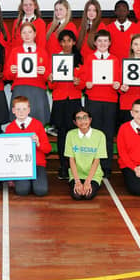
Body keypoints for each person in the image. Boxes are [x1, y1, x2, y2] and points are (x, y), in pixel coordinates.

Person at [78, 29, 121, 177]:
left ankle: (107, 166)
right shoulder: (89, 59)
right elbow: (82, 80)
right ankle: (93, 165)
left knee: (108, 135)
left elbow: (119, 80)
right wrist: (86, 84)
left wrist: (117, 84)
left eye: (105, 41)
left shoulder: (114, 60)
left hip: (110, 100)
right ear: (95, 43)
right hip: (94, 100)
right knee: (93, 134)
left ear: (109, 43)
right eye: (100, 41)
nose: (102, 43)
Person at [48, 29, 83, 180]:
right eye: (63, 41)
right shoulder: (56, 59)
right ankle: (63, 166)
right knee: (62, 135)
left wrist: (79, 83)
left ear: (74, 42)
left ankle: (76, 166)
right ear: (60, 43)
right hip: (60, 100)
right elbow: (51, 86)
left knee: (75, 135)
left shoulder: (80, 60)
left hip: (74, 100)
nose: (66, 43)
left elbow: (84, 84)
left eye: (69, 40)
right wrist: (52, 79)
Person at [4, 22, 51, 125]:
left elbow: (50, 76)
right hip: (20, 90)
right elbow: (6, 75)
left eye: (30, 32)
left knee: (38, 123)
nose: (27, 35)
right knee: (19, 123)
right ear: (20, 35)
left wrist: (45, 73)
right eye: (24, 32)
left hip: (37, 91)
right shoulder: (15, 51)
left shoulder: (42, 52)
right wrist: (11, 71)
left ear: (35, 34)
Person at [5, 96, 51, 196]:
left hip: (37, 164)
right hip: (20, 164)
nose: (21, 112)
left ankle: (35, 181)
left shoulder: (37, 125)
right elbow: (7, 153)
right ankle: (26, 182)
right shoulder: (10, 128)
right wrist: (10, 176)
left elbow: (48, 149)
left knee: (41, 191)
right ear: (13, 110)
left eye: (24, 109)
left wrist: (38, 143)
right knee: (22, 191)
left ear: (29, 110)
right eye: (18, 109)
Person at [65, 108, 107, 200]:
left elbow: (96, 160)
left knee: (88, 195)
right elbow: (71, 160)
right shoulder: (70, 135)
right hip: (76, 174)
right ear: (75, 122)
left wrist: (88, 182)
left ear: (90, 119)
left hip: (93, 175)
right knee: (77, 196)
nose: (82, 121)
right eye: (78, 118)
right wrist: (77, 181)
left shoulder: (100, 135)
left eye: (85, 117)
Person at [118, 34, 140, 124]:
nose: (138, 47)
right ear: (131, 46)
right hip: (127, 104)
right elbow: (118, 84)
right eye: (135, 44)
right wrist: (122, 89)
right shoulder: (124, 63)